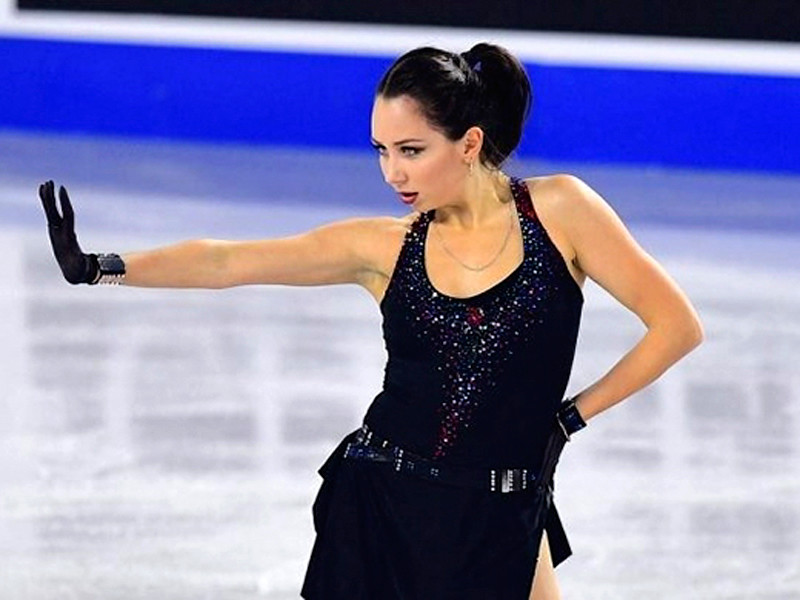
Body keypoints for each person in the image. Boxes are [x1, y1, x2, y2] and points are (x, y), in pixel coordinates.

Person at [38, 42, 704, 600]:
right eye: (381, 150)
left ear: (469, 143)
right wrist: (100, 266)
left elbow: (675, 325)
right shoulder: (384, 246)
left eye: (411, 150)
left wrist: (569, 419)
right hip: (384, 505)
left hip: (506, 506)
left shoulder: (561, 213)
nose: (392, 173)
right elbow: (228, 261)